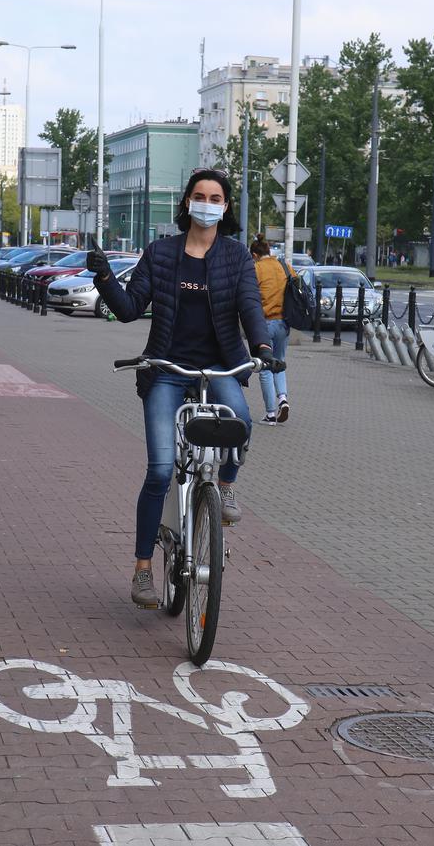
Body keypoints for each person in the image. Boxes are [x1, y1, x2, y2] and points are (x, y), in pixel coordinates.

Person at [86, 168, 281, 607]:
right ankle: (141, 569)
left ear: (225, 206)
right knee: (159, 469)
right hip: (167, 368)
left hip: (220, 367)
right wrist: (104, 278)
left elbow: (250, 306)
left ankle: (225, 486)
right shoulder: (161, 253)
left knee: (243, 423)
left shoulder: (235, 258)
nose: (207, 204)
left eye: (215, 198)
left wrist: (263, 346)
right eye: (199, 195)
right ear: (186, 201)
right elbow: (132, 308)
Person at [250, 236, 294, 425]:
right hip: (284, 323)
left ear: (254, 254)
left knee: (265, 368)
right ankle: (283, 399)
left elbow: (249, 294)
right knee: (280, 362)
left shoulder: (257, 268)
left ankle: (270, 414)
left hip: (265, 323)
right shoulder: (284, 266)